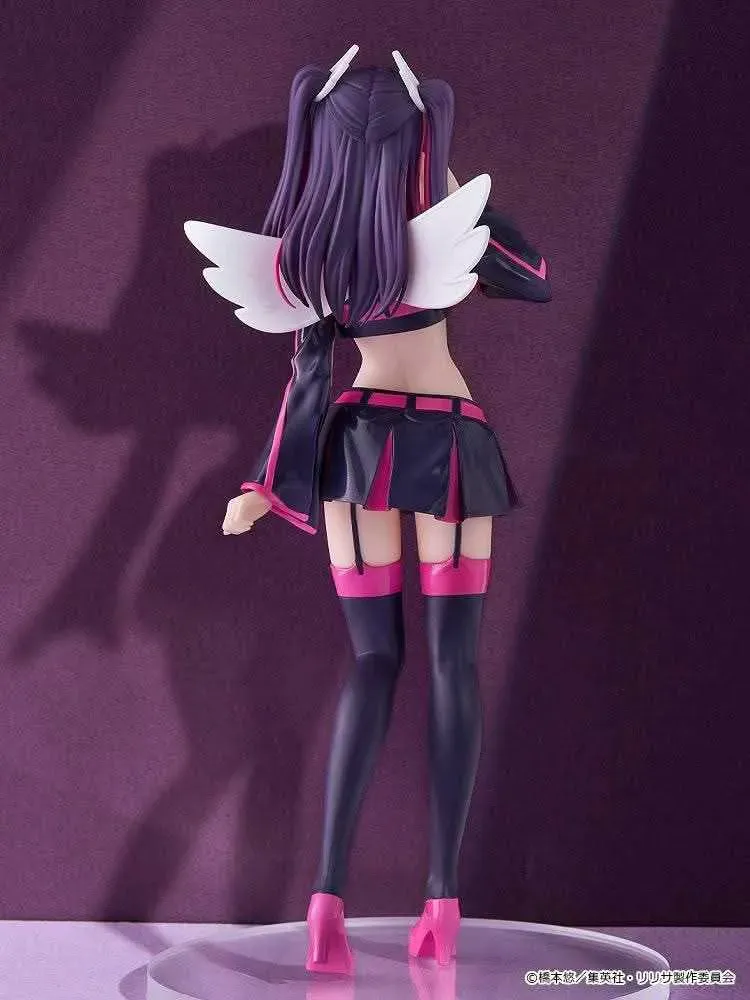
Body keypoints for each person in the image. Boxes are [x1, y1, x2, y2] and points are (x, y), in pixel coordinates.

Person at [185, 45, 551, 974]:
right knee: (453, 664)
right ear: (417, 136)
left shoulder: (318, 247)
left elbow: (308, 379)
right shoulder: (441, 224)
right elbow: (532, 274)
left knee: (373, 663)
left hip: (358, 445)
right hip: (450, 438)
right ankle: (442, 900)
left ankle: (326, 900)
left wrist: (267, 486)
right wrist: (453, 176)